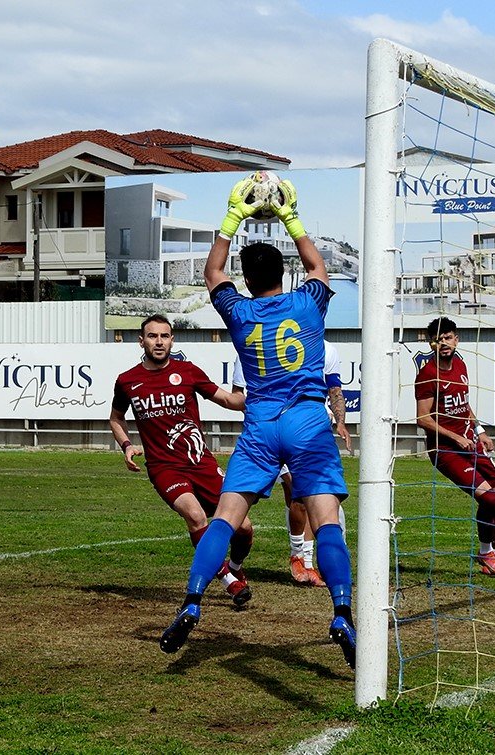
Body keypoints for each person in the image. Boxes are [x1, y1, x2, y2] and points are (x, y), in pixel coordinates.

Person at [159, 176, 357, 668]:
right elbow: (317, 264)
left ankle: (192, 600)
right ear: (284, 275)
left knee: (224, 520)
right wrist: (290, 216)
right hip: (308, 422)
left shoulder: (240, 311)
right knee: (326, 522)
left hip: (261, 423)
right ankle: (341, 613)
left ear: (246, 280)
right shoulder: (308, 300)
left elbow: (211, 271)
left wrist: (233, 215)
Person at [110, 314, 253, 606]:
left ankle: (236, 567)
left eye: (164, 336)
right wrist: (126, 445)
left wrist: (264, 400)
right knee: (196, 517)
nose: (159, 342)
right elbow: (115, 418)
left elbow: (228, 400)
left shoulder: (188, 372)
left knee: (245, 527)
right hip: (164, 468)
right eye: (152, 336)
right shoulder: (127, 381)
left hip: (201, 463)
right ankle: (230, 582)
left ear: (172, 340)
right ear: (141, 341)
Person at [231, 340, 352, 587]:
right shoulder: (254, 346)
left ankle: (313, 560)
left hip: (313, 432)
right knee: (292, 490)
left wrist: (340, 421)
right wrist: (264, 414)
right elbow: (238, 394)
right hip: (271, 433)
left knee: (321, 498)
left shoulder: (326, 348)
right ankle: (299, 557)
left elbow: (335, 390)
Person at [414, 317, 495, 577]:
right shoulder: (428, 374)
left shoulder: (461, 364)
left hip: (470, 442)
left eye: (448, 337)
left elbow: (463, 405)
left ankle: (493, 556)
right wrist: (455, 437)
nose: (444, 343)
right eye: (438, 339)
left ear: (456, 339)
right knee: (488, 497)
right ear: (432, 343)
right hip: (445, 450)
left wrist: (479, 430)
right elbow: (422, 418)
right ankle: (486, 555)